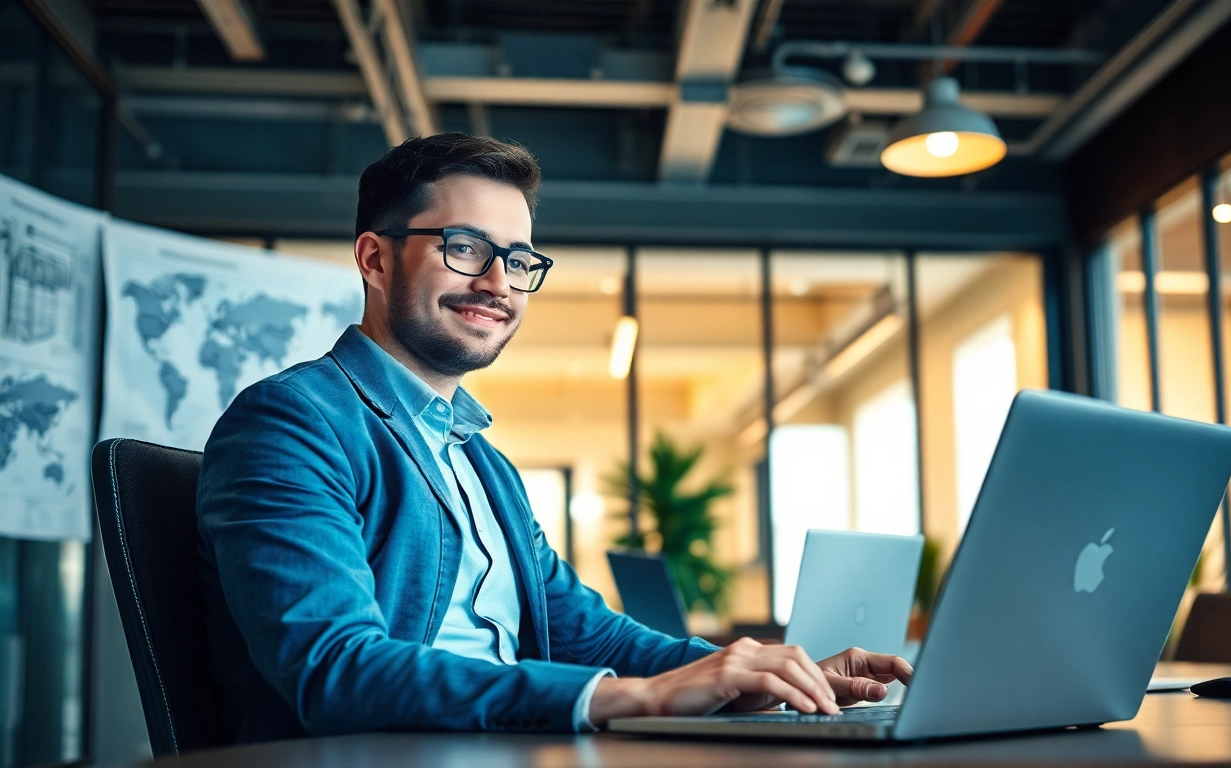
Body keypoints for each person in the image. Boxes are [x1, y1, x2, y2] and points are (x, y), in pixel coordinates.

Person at [196, 132, 913, 742]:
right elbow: (336, 668)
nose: (499, 282)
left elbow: (591, 636)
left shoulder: (485, 465)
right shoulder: (293, 422)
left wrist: (758, 672)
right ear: (375, 260)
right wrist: (632, 698)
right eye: (465, 247)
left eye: (519, 260)